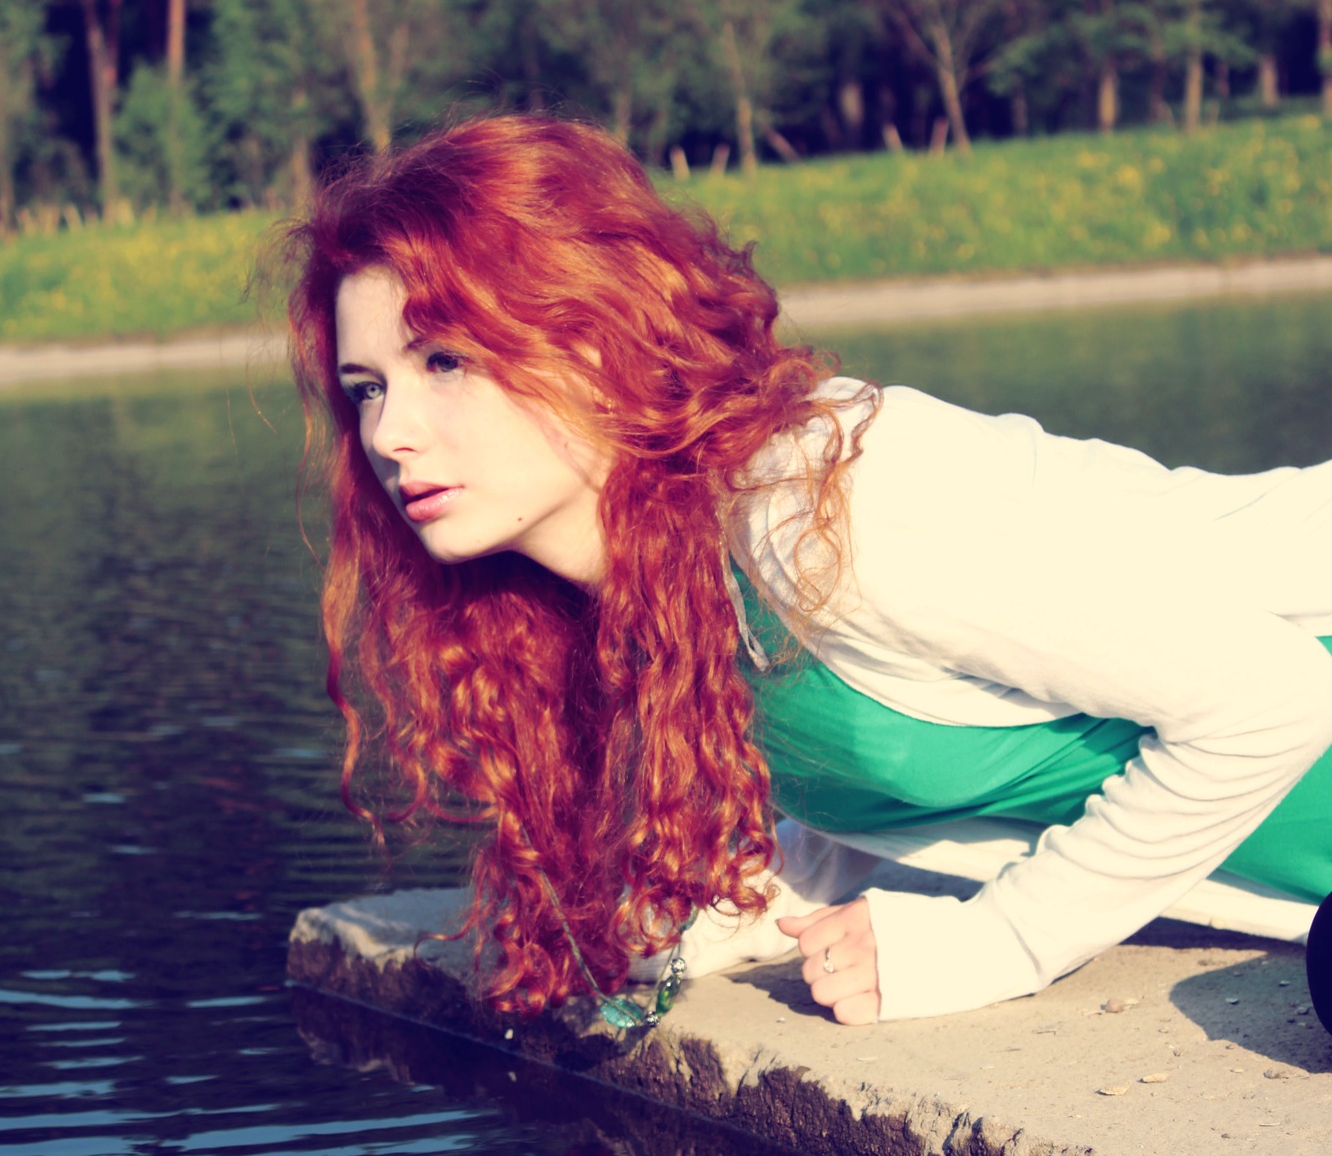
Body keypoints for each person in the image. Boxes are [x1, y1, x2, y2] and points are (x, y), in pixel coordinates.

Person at [285, 112, 1332, 1032]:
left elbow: (1274, 699)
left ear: (595, 340)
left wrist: (996, 943)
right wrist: (744, 902)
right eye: (366, 387)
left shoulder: (828, 507)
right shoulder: (657, 589)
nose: (390, 433)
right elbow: (936, 770)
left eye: (445, 361)